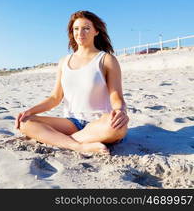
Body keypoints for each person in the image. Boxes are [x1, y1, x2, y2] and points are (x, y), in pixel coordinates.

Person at [15, 10, 128, 154]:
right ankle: (78, 146)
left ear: (96, 31)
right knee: (25, 123)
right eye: (76, 29)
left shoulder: (106, 60)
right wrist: (29, 111)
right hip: (71, 123)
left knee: (118, 127)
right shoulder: (64, 61)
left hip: (99, 123)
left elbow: (116, 96)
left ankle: (58, 139)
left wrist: (120, 111)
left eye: (86, 28)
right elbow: (55, 98)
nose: (80, 33)